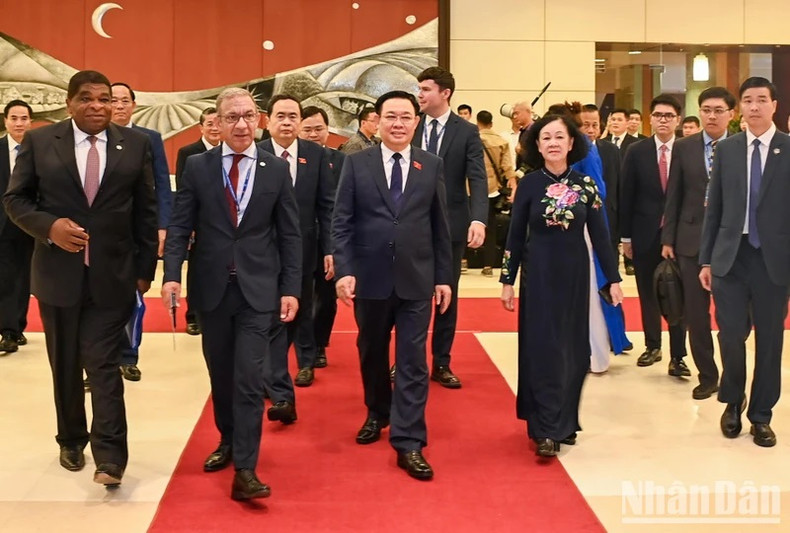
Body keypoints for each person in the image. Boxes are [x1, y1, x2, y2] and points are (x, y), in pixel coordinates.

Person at [4, 70, 159, 487]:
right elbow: (16, 199)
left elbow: (146, 209)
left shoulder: (136, 144)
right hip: (57, 275)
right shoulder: (40, 141)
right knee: (66, 364)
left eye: (105, 99)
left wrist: (146, 271)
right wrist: (48, 227)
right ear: (70, 103)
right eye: (87, 98)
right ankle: (71, 437)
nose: (97, 106)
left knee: (103, 362)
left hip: (114, 275)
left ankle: (110, 457)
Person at [161, 87, 302, 499]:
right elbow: (180, 227)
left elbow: (291, 235)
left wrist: (290, 287)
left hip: (260, 291)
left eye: (247, 116)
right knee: (221, 375)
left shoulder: (275, 169)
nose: (241, 124)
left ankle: (245, 467)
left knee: (248, 378)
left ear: (258, 120)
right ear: (218, 123)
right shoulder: (198, 168)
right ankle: (227, 439)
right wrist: (171, 274)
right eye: (231, 117)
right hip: (212, 289)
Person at [332, 90, 452, 480]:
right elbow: (342, 221)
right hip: (370, 276)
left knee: (414, 360)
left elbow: (440, 227)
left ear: (416, 122)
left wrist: (444, 278)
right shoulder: (356, 163)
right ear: (377, 121)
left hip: (417, 278)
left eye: (405, 117)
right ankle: (377, 411)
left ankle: (409, 440)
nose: (398, 123)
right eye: (390, 117)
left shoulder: (431, 165)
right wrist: (346, 269)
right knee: (370, 350)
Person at [499, 114, 622, 457]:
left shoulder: (586, 185)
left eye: (559, 137)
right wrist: (507, 281)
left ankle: (565, 422)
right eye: (546, 138)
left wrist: (612, 279)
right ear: (537, 146)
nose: (553, 143)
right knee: (543, 349)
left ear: (571, 143)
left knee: (574, 351)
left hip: (574, 276)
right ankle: (544, 428)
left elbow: (601, 235)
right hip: (537, 275)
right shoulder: (529, 185)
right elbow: (515, 234)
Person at [699, 77, 790, 448]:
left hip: (773, 261)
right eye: (748, 100)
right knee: (731, 336)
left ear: (774, 106)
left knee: (770, 341)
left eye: (761, 100)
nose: (754, 107)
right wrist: (706, 259)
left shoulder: (788, 148)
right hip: (730, 258)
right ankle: (732, 402)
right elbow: (714, 208)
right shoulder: (729, 149)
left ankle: (762, 415)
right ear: (741, 108)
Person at [411, 66, 487, 388]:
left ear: (445, 93)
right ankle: (407, 361)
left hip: (450, 226)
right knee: (409, 297)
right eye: (419, 88)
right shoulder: (411, 127)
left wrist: (479, 218)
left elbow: (477, 178)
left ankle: (441, 362)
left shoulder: (466, 132)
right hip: (410, 226)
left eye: (426, 89)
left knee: (447, 296)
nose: (420, 95)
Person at [259, 94, 334, 404]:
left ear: (300, 121)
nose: (287, 122)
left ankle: (305, 362)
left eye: (293, 116)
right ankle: (268, 371)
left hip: (304, 245)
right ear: (268, 121)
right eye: (281, 116)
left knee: (301, 304)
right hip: (262, 247)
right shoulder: (256, 152)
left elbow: (327, 205)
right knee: (265, 309)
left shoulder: (316, 155)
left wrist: (330, 248)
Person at [662, 87, 735, 400]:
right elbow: (674, 194)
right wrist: (668, 238)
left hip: (731, 241)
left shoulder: (741, 147)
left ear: (732, 114)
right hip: (690, 240)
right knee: (695, 313)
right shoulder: (684, 146)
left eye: (718, 110)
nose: (711, 115)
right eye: (706, 109)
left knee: (732, 315)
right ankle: (708, 375)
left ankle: (734, 373)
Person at [621, 94, 689, 376]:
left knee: (679, 295)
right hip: (644, 233)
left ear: (678, 120)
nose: (663, 120)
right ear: (650, 118)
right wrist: (625, 238)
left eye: (669, 116)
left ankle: (678, 356)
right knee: (648, 292)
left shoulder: (687, 150)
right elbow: (625, 195)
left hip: (680, 235)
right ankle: (652, 345)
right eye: (659, 115)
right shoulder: (636, 151)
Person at [110, 81, 174, 382]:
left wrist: (163, 225)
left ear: (134, 105)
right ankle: (100, 359)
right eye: (114, 100)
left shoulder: (149, 139)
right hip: (103, 233)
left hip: (139, 231)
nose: (119, 105)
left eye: (125, 100)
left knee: (135, 295)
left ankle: (128, 355)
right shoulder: (92, 139)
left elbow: (162, 184)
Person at [299, 105, 345, 368]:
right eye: (308, 129)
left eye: (319, 129)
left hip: (332, 237)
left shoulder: (341, 161)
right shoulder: (288, 160)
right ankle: (303, 344)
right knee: (302, 294)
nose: (314, 134)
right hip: (300, 238)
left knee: (327, 296)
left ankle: (319, 344)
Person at [174, 106, 222, 336]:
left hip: (224, 223)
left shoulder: (229, 151)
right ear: (201, 127)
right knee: (196, 271)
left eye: (217, 122)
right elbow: (184, 190)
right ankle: (192, 316)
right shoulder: (188, 152)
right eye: (209, 123)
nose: (214, 128)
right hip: (198, 222)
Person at [0, 99, 34, 354]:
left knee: (24, 278)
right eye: (14, 118)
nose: (19, 123)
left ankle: (16, 327)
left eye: (23, 118)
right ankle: (8, 330)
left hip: (31, 224)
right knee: (6, 277)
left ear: (30, 122)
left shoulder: (39, 150)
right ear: (6, 121)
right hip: (2, 225)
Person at [476, 110, 516, 277]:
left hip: (471, 189)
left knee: (468, 223)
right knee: (491, 227)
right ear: (491, 123)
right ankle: (488, 265)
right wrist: (512, 184)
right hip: (493, 190)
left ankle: (463, 260)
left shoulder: (472, 140)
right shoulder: (501, 141)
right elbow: (507, 167)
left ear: (478, 123)